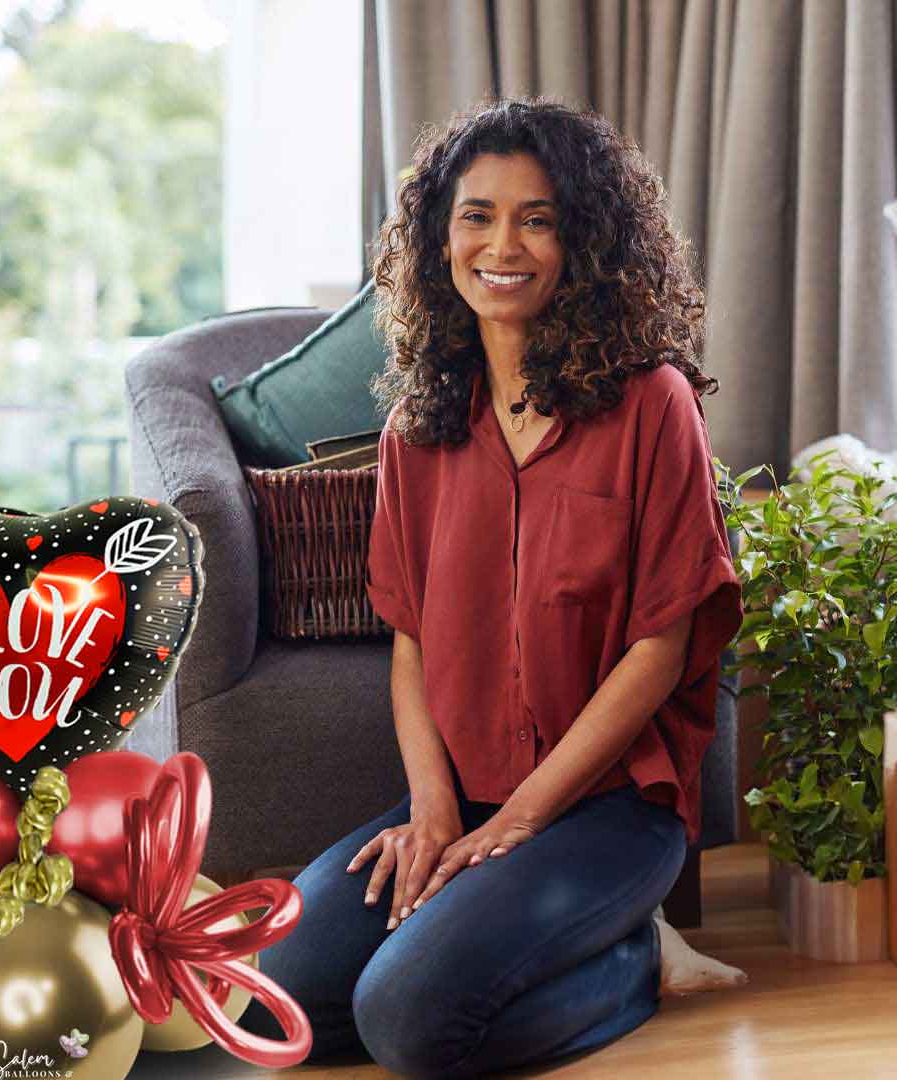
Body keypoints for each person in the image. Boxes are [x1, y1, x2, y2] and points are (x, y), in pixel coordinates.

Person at [239, 96, 748, 1078]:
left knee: (411, 1024)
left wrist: (519, 823)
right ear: (439, 238)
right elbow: (411, 640)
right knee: (277, 1003)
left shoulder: (652, 406)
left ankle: (632, 954)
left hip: (607, 809)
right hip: (461, 795)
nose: (502, 244)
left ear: (585, 241)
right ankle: (499, 947)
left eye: (538, 217)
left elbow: (662, 649)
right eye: (476, 215)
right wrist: (434, 812)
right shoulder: (416, 429)